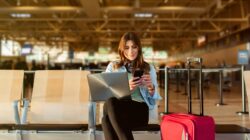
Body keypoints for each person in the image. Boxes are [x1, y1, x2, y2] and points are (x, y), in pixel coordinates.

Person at [102, 32, 161, 140]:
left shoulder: (148, 68)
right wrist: (125, 89)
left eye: (134, 47)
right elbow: (105, 93)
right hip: (118, 109)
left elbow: (154, 100)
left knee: (107, 116)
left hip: (139, 110)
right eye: (127, 47)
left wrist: (151, 87)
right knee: (108, 109)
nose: (131, 51)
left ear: (139, 48)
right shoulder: (113, 66)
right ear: (121, 49)